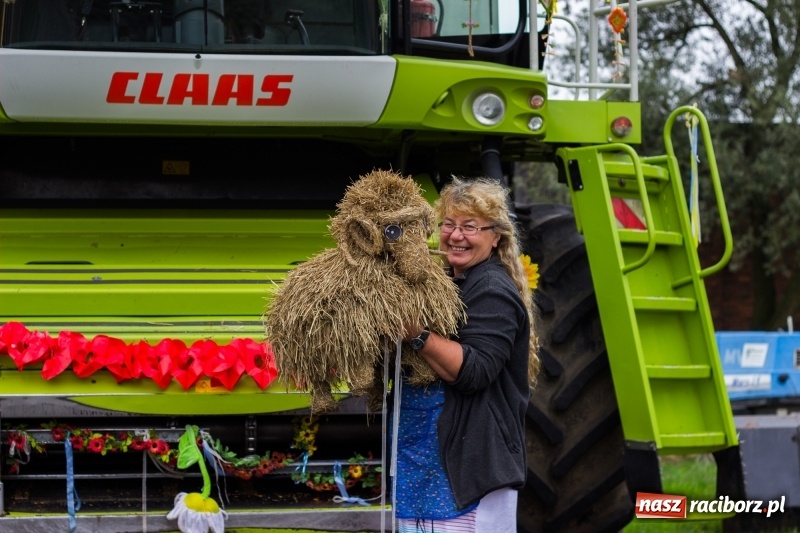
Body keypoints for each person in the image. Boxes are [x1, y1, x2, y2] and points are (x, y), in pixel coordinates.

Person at [395, 176, 540, 532]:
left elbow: (473, 371)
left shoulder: (491, 289)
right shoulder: (449, 280)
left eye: (470, 227)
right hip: (432, 460)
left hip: (470, 467)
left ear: (496, 237)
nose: (456, 236)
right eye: (449, 224)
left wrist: (416, 334)